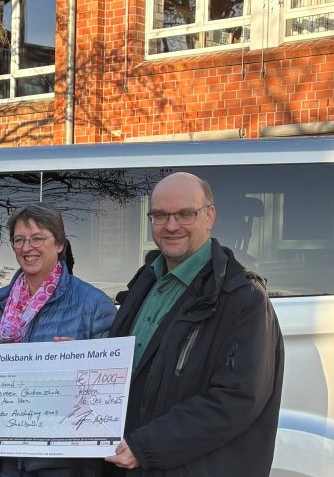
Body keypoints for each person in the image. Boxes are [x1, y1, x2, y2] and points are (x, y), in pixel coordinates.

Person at [105, 172, 284, 476]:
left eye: (185, 214)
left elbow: (237, 399)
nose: (171, 226)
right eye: (160, 215)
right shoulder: (146, 280)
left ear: (209, 216)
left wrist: (147, 446)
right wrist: (86, 360)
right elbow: (137, 363)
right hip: (133, 462)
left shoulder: (242, 297)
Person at [0, 203, 118, 477]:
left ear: (59, 244)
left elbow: (113, 391)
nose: (27, 248)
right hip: (3, 457)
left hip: (64, 461)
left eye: (37, 238)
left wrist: (83, 367)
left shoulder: (94, 304)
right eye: (19, 240)